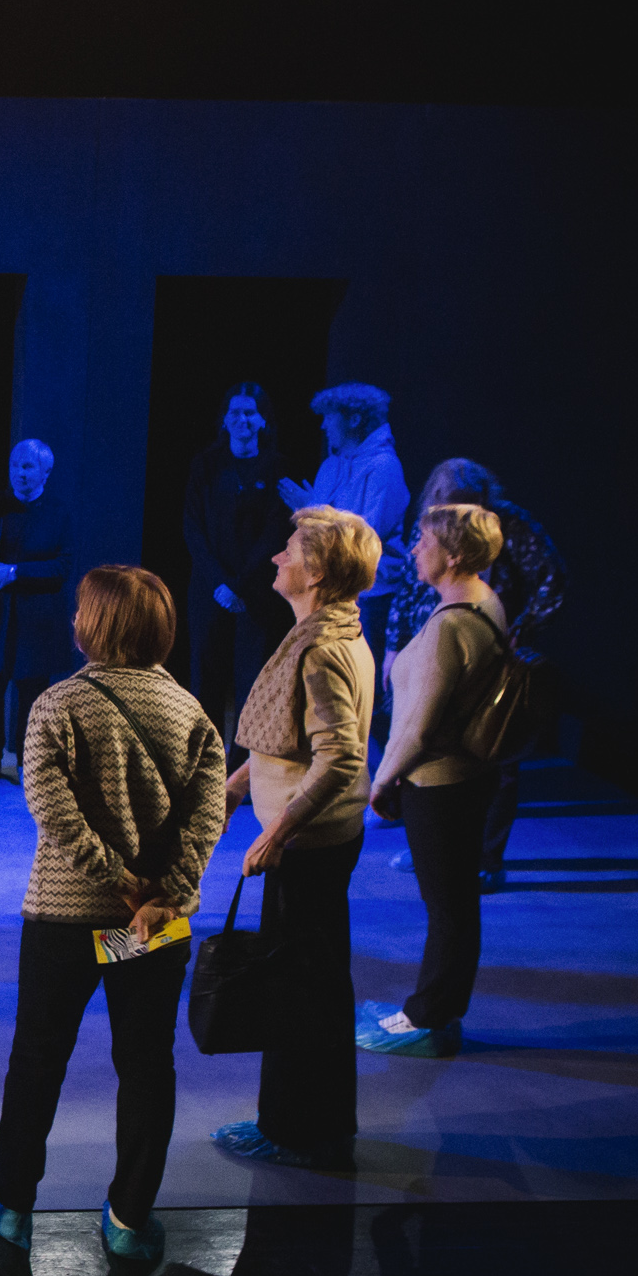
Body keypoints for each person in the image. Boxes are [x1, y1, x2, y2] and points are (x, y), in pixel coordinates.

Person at [0, 566, 228, 1267]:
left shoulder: (58, 704)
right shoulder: (192, 713)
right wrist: (163, 893)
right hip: (153, 927)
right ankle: (129, 1218)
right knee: (146, 1066)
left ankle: (11, 1202)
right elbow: (207, 820)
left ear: (92, 626)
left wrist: (119, 880)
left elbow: (52, 812)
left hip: (66, 920)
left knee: (38, 1056)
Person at [208, 506, 382, 1170]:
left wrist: (277, 831)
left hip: (309, 846)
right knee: (312, 982)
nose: (277, 557)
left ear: (318, 571)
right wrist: (237, 788)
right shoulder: (328, 632)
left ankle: (294, 1131)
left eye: (290, 550)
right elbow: (292, 744)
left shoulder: (321, 650)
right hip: (316, 840)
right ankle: (309, 1126)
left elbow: (339, 758)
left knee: (299, 989)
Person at [358, 504, 509, 1059]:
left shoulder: (450, 625)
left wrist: (382, 781)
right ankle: (437, 1009)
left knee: (446, 905)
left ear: (454, 555)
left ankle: (427, 1016)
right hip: (467, 777)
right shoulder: (486, 601)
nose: (415, 548)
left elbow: (418, 727)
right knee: (455, 902)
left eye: (424, 540)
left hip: (440, 783)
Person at [380, 459, 565, 886]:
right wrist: (394, 645)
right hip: (431, 644)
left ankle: (485, 858)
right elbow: (409, 584)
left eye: (462, 504)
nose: (452, 513)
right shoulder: (432, 527)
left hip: (482, 651)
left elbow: (552, 579)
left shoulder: (507, 527)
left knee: (489, 749)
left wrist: (520, 630)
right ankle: (431, 843)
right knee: (433, 744)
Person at [180, 385, 295, 751]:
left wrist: (240, 586)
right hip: (210, 591)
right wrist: (219, 583)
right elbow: (193, 528)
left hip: (255, 594)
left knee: (252, 682)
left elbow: (275, 532)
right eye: (235, 412)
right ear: (225, 419)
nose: (242, 419)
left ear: (262, 420)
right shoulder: (205, 465)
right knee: (207, 679)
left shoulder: (278, 468)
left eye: (250, 412)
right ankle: (205, 760)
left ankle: (244, 767)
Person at [0, 439, 76, 784]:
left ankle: (28, 761)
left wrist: (15, 572)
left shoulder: (58, 512)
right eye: (14, 466)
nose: (19, 473)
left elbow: (62, 566)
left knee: (31, 692)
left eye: (27, 467)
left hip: (35, 618)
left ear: (45, 472)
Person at [277, 383, 408, 682]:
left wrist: (310, 507)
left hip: (369, 595)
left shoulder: (384, 467)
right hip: (329, 587)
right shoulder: (331, 466)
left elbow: (367, 538)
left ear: (354, 420)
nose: (323, 426)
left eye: (330, 417)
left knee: (360, 679)